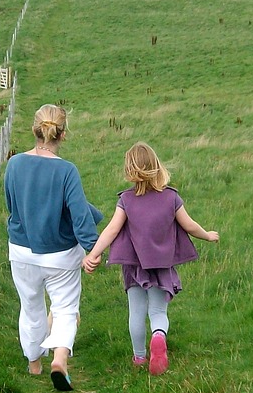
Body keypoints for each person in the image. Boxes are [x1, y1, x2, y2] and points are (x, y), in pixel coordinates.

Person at [83, 142, 219, 375]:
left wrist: (93, 254)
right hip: (162, 265)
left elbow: (112, 230)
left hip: (134, 266)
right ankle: (158, 336)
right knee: (158, 312)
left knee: (136, 311)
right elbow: (189, 225)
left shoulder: (125, 199)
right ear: (156, 166)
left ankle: (139, 358)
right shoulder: (171, 197)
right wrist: (207, 235)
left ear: (130, 170)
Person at [4, 104, 100, 392]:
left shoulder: (14, 164)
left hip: (22, 251)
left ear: (35, 130)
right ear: (63, 134)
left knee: (31, 307)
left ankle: (34, 364)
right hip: (61, 254)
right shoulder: (67, 171)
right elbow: (80, 216)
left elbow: (12, 206)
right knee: (65, 308)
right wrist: (93, 249)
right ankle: (60, 359)